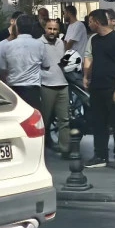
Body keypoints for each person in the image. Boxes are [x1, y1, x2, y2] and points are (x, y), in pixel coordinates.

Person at [82, 9, 115, 168]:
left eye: (90, 21)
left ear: (97, 21)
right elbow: (93, 60)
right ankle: (100, 156)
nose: (88, 24)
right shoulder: (94, 40)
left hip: (113, 88)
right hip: (96, 87)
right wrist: (86, 76)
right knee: (98, 123)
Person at [0, 14, 49, 111]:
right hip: (33, 90)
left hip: (14, 90)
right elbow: (46, 65)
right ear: (32, 28)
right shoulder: (40, 45)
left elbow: (3, 69)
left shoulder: (7, 46)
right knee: (33, 117)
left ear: (17, 28)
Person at [40, 18, 70, 154]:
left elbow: (64, 61)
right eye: (50, 28)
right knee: (44, 120)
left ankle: (65, 149)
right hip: (46, 86)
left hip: (63, 84)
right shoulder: (38, 43)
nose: (52, 31)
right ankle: (41, 150)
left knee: (64, 120)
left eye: (55, 29)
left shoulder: (61, 43)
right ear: (45, 29)